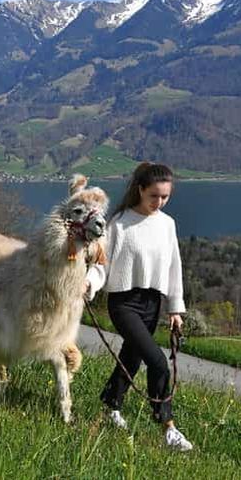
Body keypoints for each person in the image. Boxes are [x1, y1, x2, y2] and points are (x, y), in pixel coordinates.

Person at [86, 162, 193, 452]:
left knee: (131, 357)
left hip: (152, 303)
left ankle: (111, 406)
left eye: (165, 197)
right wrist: (89, 284)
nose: (159, 202)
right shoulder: (119, 223)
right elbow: (101, 264)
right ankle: (167, 427)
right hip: (124, 303)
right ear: (140, 189)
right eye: (154, 196)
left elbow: (174, 268)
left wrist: (175, 309)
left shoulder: (167, 224)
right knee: (157, 362)